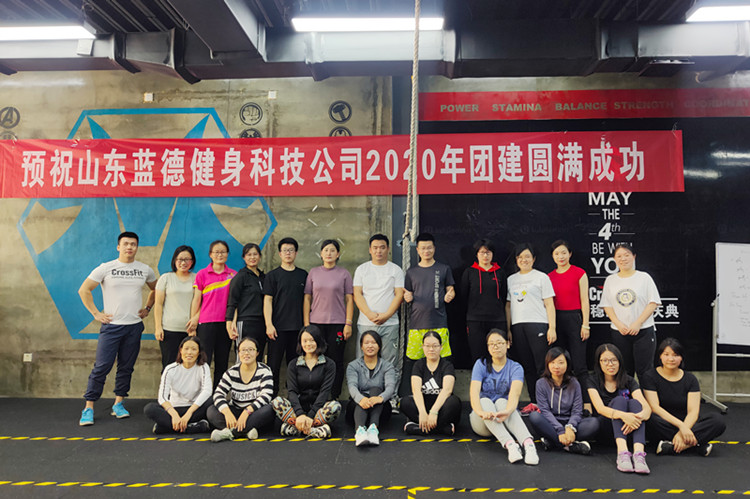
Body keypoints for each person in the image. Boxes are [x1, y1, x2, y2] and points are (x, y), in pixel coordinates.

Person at [78, 231, 157, 426]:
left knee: (126, 367)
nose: (130, 247)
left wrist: (148, 308)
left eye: (133, 244)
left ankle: (118, 404)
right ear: (118, 247)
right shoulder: (106, 268)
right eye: (126, 244)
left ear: (137, 247)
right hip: (111, 327)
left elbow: (157, 289)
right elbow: (84, 290)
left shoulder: (145, 269)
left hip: (134, 327)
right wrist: (96, 313)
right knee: (102, 367)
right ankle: (88, 408)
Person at [642, 338, 725, 456]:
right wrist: (681, 427)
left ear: (681, 358)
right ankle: (695, 444)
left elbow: (693, 412)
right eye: (666, 354)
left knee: (718, 421)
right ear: (660, 356)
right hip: (663, 423)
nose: (671, 359)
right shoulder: (650, 376)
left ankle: (672, 446)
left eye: (675, 355)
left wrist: (684, 428)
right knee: (648, 419)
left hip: (688, 424)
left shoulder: (690, 379)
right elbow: (655, 407)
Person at [470, 329, 539, 465]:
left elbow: (514, 394)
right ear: (488, 347)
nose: (495, 347)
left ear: (507, 344)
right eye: (491, 344)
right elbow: (474, 392)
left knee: (503, 401)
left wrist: (507, 412)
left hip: (504, 418)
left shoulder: (516, 367)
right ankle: (510, 445)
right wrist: (481, 413)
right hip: (483, 420)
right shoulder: (481, 364)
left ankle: (529, 445)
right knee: (484, 400)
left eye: (499, 343)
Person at [353, 234, 405, 411]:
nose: (379, 251)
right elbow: (357, 294)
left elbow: (399, 295)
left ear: (388, 249)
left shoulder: (395, 270)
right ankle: (362, 398)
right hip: (365, 323)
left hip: (390, 324)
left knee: (390, 362)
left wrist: (387, 315)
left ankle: (391, 398)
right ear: (370, 250)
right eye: (375, 248)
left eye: (382, 247)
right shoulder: (362, 269)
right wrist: (369, 314)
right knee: (362, 362)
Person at [587, 343, 652, 474]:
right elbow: (600, 409)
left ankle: (639, 455)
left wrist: (634, 419)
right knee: (620, 400)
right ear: (599, 362)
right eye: (605, 360)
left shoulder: (629, 380)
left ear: (620, 361)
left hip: (630, 429)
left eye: (613, 360)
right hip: (607, 429)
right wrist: (624, 416)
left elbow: (646, 409)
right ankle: (622, 453)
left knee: (635, 403)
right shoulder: (592, 380)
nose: (610, 364)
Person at [599, 243, 661, 379]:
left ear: (634, 257)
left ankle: (647, 394)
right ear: (614, 259)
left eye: (627, 255)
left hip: (643, 330)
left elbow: (653, 303)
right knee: (624, 370)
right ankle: (627, 394)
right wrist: (618, 324)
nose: (623, 259)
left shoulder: (644, 278)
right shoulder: (610, 280)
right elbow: (607, 305)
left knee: (645, 371)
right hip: (620, 331)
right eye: (619, 256)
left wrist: (638, 323)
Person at [403, 233, 456, 391]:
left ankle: (445, 394)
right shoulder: (411, 272)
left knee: (444, 360)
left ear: (434, 248)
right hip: (417, 325)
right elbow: (407, 293)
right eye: (423, 248)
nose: (426, 251)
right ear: (418, 250)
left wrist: (450, 294)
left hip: (439, 323)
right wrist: (407, 296)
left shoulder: (443, 269)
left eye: (429, 248)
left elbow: (451, 289)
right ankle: (411, 395)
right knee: (413, 361)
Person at [271, 325, 342, 439]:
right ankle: (314, 430)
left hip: (319, 411)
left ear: (318, 341)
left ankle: (296, 428)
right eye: (305, 341)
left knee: (335, 407)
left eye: (312, 340)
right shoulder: (293, 364)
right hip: (297, 410)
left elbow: (324, 392)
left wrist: (310, 416)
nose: (308, 344)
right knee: (276, 402)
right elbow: (292, 391)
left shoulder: (329, 364)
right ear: (300, 342)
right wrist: (300, 414)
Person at [506, 243, 556, 405]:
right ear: (516, 260)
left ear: (533, 259)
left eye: (527, 256)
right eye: (520, 257)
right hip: (518, 326)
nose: (524, 260)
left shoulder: (542, 277)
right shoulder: (511, 279)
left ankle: (547, 402)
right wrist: (508, 329)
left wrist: (552, 328)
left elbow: (549, 304)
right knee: (526, 366)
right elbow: (508, 306)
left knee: (542, 366)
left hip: (538, 324)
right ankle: (535, 403)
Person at [304, 239, 354, 399]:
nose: (329, 253)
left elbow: (349, 300)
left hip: (338, 324)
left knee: (336, 360)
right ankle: (315, 395)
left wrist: (348, 323)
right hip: (316, 324)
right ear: (321, 253)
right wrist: (306, 324)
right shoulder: (313, 273)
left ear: (338, 254)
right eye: (326, 250)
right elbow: (307, 298)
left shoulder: (344, 274)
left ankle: (334, 395)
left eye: (332, 250)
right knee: (315, 359)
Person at [528, 347, 598, 454]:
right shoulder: (541, 383)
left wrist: (570, 427)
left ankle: (553, 441)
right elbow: (545, 411)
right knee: (535, 416)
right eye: (552, 362)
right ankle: (570, 446)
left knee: (594, 423)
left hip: (570, 422)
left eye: (561, 363)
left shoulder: (574, 383)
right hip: (550, 423)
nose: (556, 366)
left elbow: (577, 411)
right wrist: (560, 430)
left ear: (567, 364)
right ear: (547, 364)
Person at [208, 337, 275, 442]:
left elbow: (266, 396)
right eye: (243, 350)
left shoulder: (265, 371)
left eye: (251, 350)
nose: (246, 353)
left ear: (257, 353)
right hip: (235, 411)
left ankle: (229, 433)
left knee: (269, 409)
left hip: (254, 413)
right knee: (211, 410)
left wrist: (247, 412)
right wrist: (227, 413)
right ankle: (246, 431)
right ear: (238, 353)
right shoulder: (232, 372)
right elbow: (218, 394)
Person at [189, 240, 236, 388]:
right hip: (205, 324)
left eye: (223, 252)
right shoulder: (202, 274)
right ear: (210, 254)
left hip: (225, 324)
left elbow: (235, 302)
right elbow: (197, 299)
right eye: (216, 252)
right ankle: (202, 394)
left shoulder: (233, 275)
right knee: (204, 362)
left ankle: (218, 394)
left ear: (227, 254)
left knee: (222, 362)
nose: (219, 255)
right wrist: (193, 321)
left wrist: (233, 322)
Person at [264, 237, 308, 396]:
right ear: (279, 254)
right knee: (273, 365)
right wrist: (269, 324)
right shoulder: (272, 276)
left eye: (291, 250)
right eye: (284, 250)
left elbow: (307, 301)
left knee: (295, 366)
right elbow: (267, 301)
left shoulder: (303, 275)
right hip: (277, 329)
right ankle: (271, 397)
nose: (288, 253)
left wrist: (306, 327)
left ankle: (293, 397)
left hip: (297, 329)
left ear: (296, 253)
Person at [143, 336, 212, 434]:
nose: (189, 352)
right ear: (180, 350)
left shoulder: (203, 367)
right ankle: (192, 427)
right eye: (186, 349)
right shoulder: (170, 369)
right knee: (150, 408)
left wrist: (189, 413)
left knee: (212, 401)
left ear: (199, 352)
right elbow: (162, 397)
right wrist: (174, 415)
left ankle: (167, 427)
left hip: (194, 409)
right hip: (175, 409)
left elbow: (207, 391)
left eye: (194, 349)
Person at [401, 331, 461, 436]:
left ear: (441, 347)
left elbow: (447, 390)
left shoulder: (447, 365)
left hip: (441, 407)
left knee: (454, 402)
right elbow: (416, 390)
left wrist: (434, 412)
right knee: (405, 402)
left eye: (435, 346)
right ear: (423, 347)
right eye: (427, 346)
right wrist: (422, 412)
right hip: (424, 404)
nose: (431, 349)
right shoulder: (418, 365)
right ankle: (441, 429)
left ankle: (418, 428)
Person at [460, 238, 508, 364]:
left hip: (497, 320)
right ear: (476, 254)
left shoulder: (500, 272)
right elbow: (463, 296)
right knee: (478, 354)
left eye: (488, 252)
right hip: (475, 320)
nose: (485, 256)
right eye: (482, 252)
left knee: (498, 354)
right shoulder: (469, 272)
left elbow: (504, 295)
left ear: (492, 254)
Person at [547, 240, 590, 380]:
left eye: (564, 253)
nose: (561, 257)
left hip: (575, 318)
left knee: (579, 362)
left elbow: (585, 300)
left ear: (570, 254)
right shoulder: (549, 277)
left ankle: (583, 393)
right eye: (557, 254)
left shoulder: (579, 273)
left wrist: (585, 324)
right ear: (553, 256)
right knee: (559, 360)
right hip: (556, 319)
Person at [346, 330, 397, 447]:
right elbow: (352, 386)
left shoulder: (387, 366)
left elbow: (390, 387)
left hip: (380, 409)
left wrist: (380, 398)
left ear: (379, 346)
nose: (370, 346)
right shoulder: (353, 366)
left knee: (376, 389)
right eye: (366, 343)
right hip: (357, 408)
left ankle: (373, 429)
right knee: (362, 396)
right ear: (361, 346)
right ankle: (360, 431)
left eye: (373, 343)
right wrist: (361, 399)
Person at [154, 245, 197, 370]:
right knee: (169, 365)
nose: (183, 263)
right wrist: (158, 327)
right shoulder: (166, 278)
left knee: (188, 367)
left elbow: (200, 302)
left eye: (187, 259)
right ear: (174, 260)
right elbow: (158, 304)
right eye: (180, 259)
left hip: (190, 330)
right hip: (169, 330)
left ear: (192, 261)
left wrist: (194, 321)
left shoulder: (196, 278)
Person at [226, 243, 265, 356]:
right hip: (245, 322)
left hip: (261, 323)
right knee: (244, 356)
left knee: (258, 356)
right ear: (244, 257)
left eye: (255, 254)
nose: (252, 257)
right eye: (249, 255)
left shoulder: (263, 277)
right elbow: (232, 301)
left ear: (260, 256)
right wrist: (230, 323)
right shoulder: (240, 277)